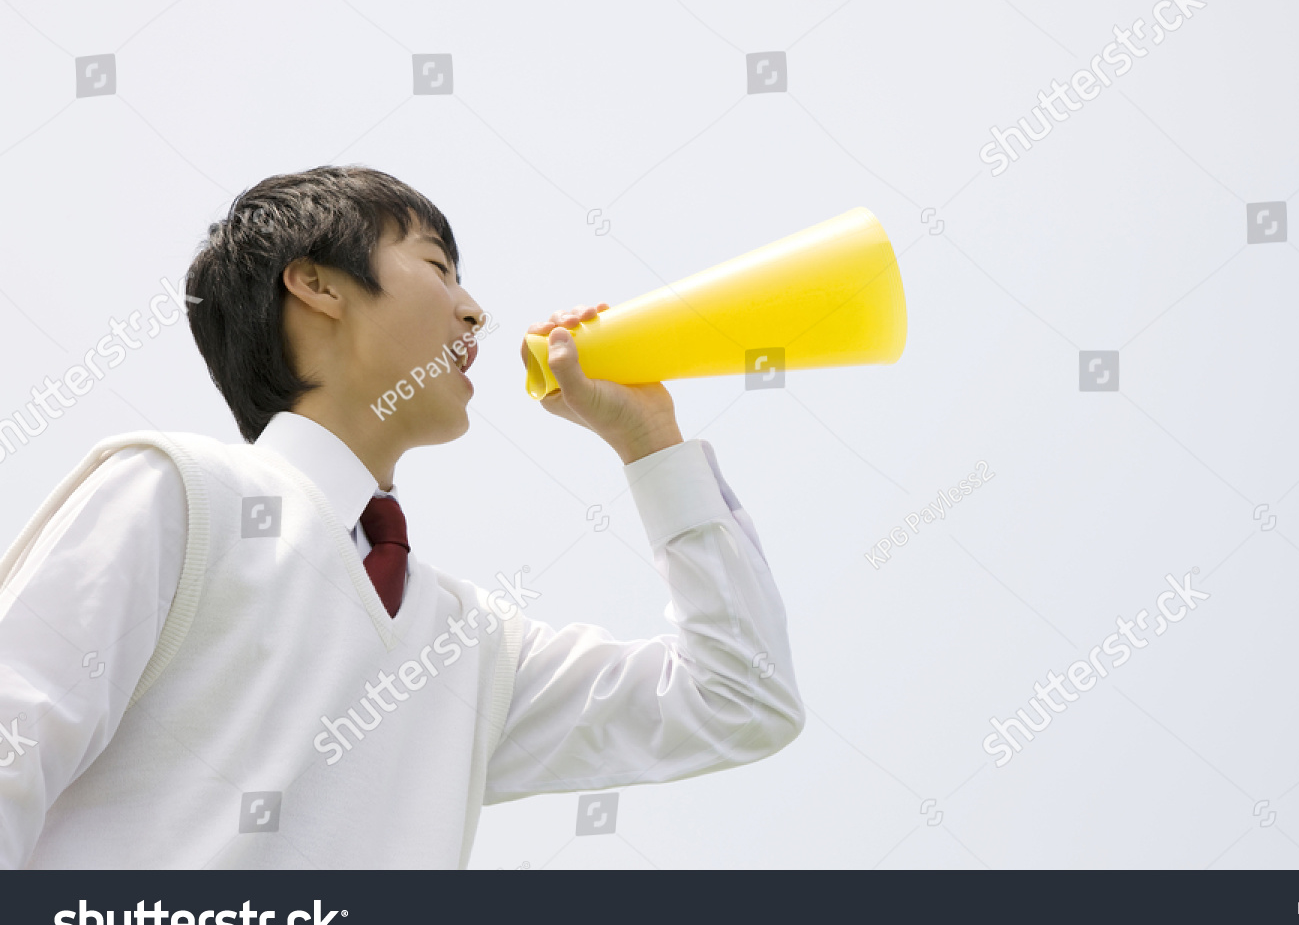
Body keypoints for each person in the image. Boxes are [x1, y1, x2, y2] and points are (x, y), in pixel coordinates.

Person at [0, 166, 803, 868]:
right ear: (317, 284)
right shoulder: (174, 493)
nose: (474, 312)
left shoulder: (468, 643)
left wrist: (649, 439)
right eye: (438, 267)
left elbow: (739, 697)